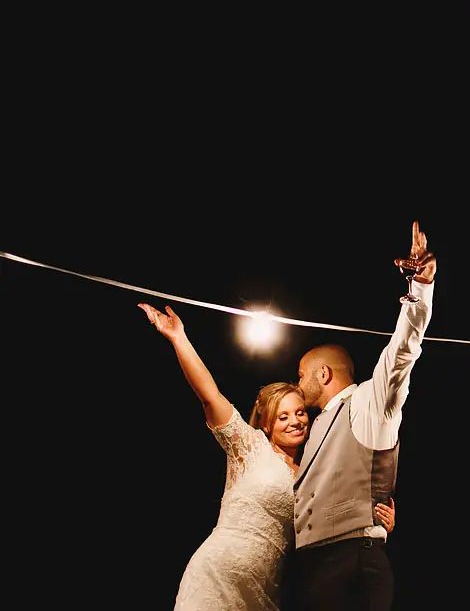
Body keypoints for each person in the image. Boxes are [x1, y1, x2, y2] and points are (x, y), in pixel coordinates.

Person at [140, 303, 399, 611]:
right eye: (283, 416)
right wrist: (178, 337)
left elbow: (339, 516)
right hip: (218, 575)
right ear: (266, 424)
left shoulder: (311, 473)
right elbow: (209, 396)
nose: (295, 422)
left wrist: (376, 521)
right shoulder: (249, 447)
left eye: (300, 413)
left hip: (266, 589)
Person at [283, 220, 437, 611]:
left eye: (301, 375)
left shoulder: (369, 402)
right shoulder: (313, 426)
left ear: (323, 374)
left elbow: (402, 351)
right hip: (311, 568)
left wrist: (420, 287)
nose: (298, 383)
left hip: (351, 562)